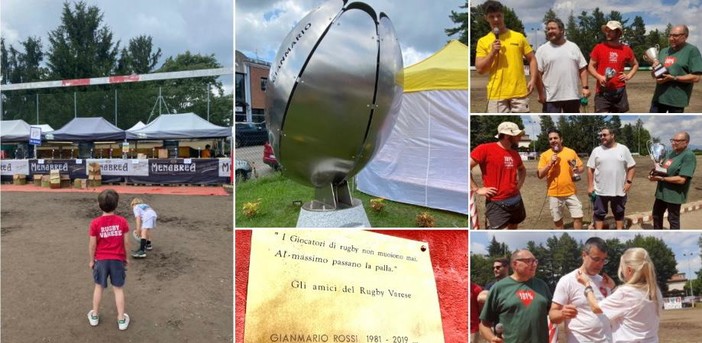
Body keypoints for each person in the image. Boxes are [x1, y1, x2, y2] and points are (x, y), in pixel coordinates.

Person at [576, 247, 662, 342]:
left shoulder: (626, 292)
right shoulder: (654, 290)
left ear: (629, 270)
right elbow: (630, 305)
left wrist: (587, 285)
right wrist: (613, 288)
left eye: (622, 268)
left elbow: (596, 308)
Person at [475, 0, 542, 112]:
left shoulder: (518, 37)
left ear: (503, 15)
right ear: (486, 18)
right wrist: (492, 53)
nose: (496, 19)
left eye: (498, 15)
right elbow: (480, 69)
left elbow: (532, 59)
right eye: (492, 16)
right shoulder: (483, 41)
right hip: (496, 94)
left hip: (519, 92)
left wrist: (533, 79)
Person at [479, 249, 552, 343]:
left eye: (535, 261)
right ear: (515, 264)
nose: (534, 264)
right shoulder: (499, 287)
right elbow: (484, 324)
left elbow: (553, 313)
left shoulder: (541, 285)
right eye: (529, 261)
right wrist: (492, 338)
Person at [549, 237, 614, 342]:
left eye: (604, 260)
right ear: (584, 255)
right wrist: (562, 313)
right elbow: (552, 314)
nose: (600, 264)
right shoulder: (567, 280)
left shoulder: (605, 281)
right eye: (596, 259)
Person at [470, 121, 527, 229]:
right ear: (506, 136)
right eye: (517, 135)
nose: (520, 137)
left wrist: (519, 184)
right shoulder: (484, 149)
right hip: (497, 204)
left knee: (514, 226)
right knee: (501, 233)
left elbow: (522, 170)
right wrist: (476, 189)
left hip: (516, 200)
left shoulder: (515, 154)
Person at [88, 189, 130, 330]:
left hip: (101, 260)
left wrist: (92, 260)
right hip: (117, 260)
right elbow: (127, 243)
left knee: (98, 287)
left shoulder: (95, 223)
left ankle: (94, 315)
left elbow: (92, 244)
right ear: (116, 204)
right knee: (118, 289)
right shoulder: (122, 222)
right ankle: (121, 319)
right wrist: (126, 258)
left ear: (99, 204)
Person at [536, 18, 590, 113]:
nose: (550, 31)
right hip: (551, 98)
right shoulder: (542, 50)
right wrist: (541, 94)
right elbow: (537, 74)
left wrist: (585, 87)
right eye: (548, 29)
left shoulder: (573, 47)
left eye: (553, 28)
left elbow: (582, 68)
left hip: (572, 96)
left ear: (561, 30)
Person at [587, 128, 636, 230]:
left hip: (619, 190)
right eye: (601, 135)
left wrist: (629, 182)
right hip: (600, 190)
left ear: (612, 135)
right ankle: (598, 232)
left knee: (619, 213)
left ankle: (620, 231)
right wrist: (590, 186)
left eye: (605, 135)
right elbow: (590, 169)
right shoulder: (596, 150)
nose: (602, 137)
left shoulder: (623, 149)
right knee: (599, 214)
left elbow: (631, 166)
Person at [537, 128, 585, 229]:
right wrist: (549, 163)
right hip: (554, 194)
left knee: (578, 217)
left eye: (555, 138)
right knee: (558, 220)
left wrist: (577, 169)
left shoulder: (571, 152)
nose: (553, 140)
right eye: (550, 139)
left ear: (561, 139)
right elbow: (540, 175)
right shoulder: (545, 155)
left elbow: (581, 168)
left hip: (571, 192)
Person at [647, 131, 697, 229]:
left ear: (686, 142)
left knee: (672, 219)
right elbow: (665, 169)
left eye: (677, 141)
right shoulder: (671, 153)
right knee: (656, 215)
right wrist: (655, 171)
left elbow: (681, 179)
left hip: (674, 195)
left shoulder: (688, 156)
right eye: (672, 140)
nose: (673, 143)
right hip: (661, 193)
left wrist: (661, 178)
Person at [588, 21, 639, 113]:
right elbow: (590, 66)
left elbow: (635, 64)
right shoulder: (599, 47)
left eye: (610, 30)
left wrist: (628, 76)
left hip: (620, 91)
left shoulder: (626, 49)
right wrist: (599, 77)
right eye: (606, 30)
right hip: (602, 91)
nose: (607, 32)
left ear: (618, 32)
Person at [649, 25, 702, 113]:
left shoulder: (692, 51)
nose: (671, 38)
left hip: (676, 101)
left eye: (675, 35)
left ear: (685, 36)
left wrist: (674, 78)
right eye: (670, 35)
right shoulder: (663, 51)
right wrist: (655, 71)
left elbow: (696, 77)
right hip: (659, 98)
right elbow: (654, 75)